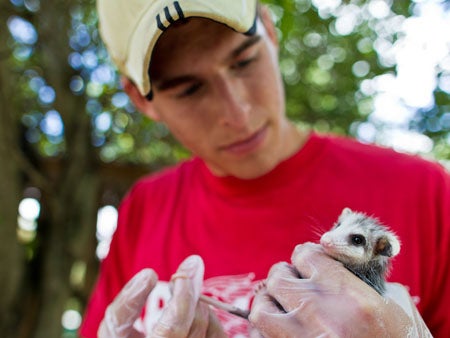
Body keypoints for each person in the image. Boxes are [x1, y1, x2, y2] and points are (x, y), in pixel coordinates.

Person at [80, 0, 450, 337]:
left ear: (269, 31)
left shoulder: (426, 192)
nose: (238, 114)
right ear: (142, 101)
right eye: (189, 90)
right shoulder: (144, 208)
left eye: (244, 61)